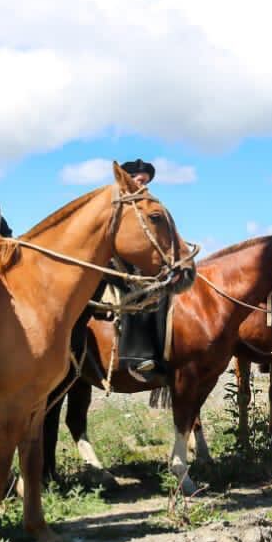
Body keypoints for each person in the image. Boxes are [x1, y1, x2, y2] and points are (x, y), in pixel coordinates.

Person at [110, 158, 168, 381]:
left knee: (163, 293)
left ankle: (163, 354)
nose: (143, 186)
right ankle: (135, 356)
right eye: (139, 181)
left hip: (140, 267)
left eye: (146, 182)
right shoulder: (119, 205)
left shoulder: (149, 205)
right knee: (136, 293)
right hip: (115, 264)